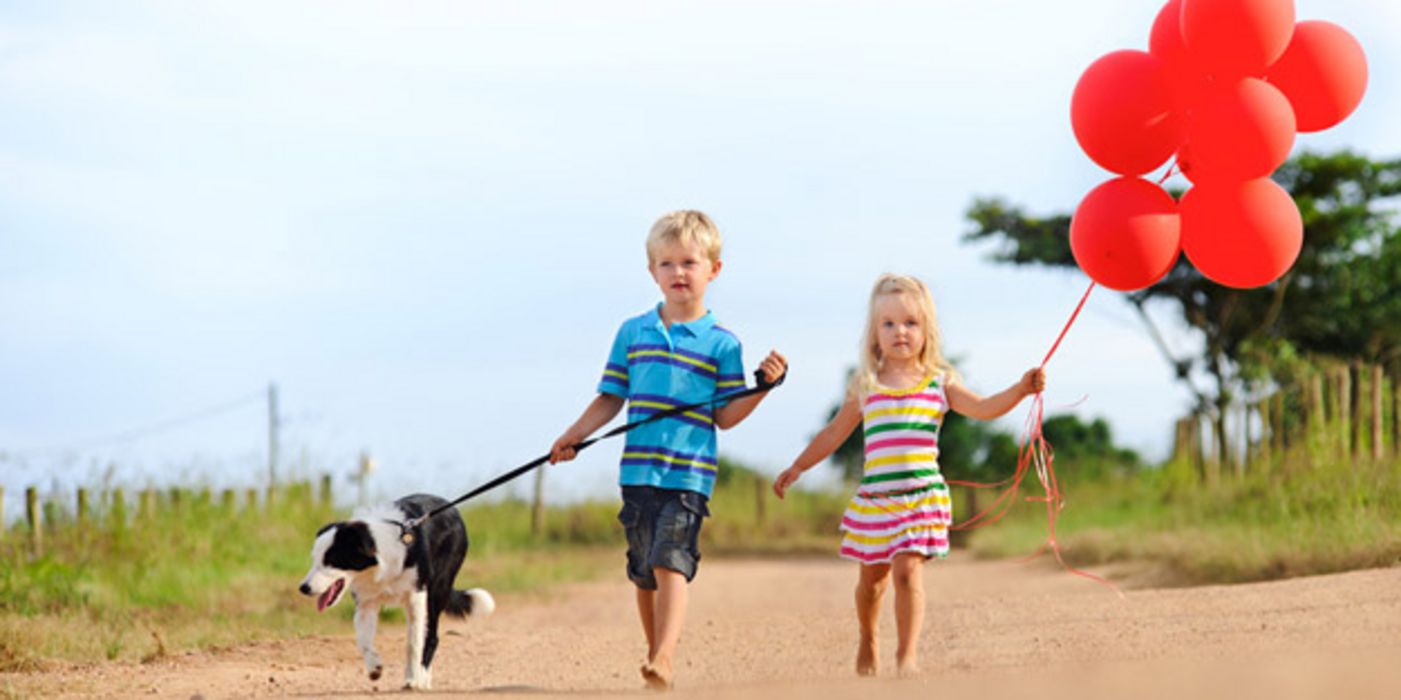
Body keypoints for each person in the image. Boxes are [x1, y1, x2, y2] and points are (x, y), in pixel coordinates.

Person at [549, 210, 787, 691]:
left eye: (689, 263)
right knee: (643, 572)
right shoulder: (632, 333)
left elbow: (725, 416)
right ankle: (654, 652)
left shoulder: (722, 344)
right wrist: (572, 434)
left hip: (689, 474)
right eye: (667, 263)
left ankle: (665, 656)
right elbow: (611, 397)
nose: (678, 273)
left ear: (713, 270)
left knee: (670, 559)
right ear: (652, 271)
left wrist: (762, 388)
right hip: (637, 472)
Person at [772, 273, 1044, 678]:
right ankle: (868, 637)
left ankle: (907, 657)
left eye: (911, 323)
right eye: (889, 324)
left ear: (927, 330)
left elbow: (985, 407)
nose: (900, 331)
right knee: (872, 584)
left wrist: (1021, 390)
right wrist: (798, 466)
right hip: (877, 500)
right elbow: (833, 433)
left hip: (920, 496)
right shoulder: (865, 385)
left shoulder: (940, 382)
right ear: (874, 333)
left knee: (906, 571)